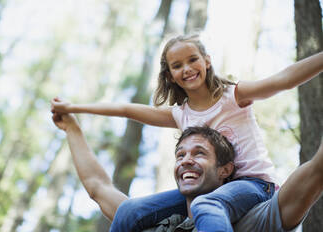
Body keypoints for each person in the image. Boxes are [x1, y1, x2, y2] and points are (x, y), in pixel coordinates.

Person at [51, 34, 323, 231]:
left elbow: (284, 79)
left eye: (193, 59)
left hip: (252, 186)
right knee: (130, 211)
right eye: (177, 65)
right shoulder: (180, 114)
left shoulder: (233, 96)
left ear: (207, 61)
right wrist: (73, 107)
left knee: (207, 205)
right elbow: (125, 109)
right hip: (212, 189)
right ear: (169, 75)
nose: (187, 68)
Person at [51, 112, 323, 232]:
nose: (186, 161)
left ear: (225, 170)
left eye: (199, 154)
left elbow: (316, 171)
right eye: (180, 155)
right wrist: (72, 130)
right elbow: (98, 187)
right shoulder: (155, 224)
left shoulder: (254, 220)